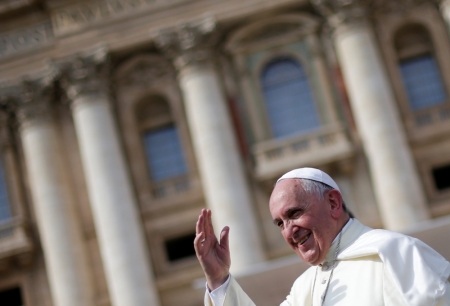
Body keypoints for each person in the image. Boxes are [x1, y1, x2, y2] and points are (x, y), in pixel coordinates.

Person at [194, 167, 450, 306]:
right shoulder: (305, 288)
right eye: (280, 223)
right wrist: (219, 280)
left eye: (294, 213)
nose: (289, 231)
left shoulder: (395, 253)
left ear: (333, 203)